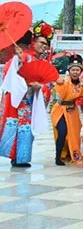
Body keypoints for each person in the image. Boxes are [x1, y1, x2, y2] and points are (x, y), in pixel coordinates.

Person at [0, 22, 59, 168]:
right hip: (19, 99)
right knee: (16, 127)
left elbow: (48, 82)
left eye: (46, 44)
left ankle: (21, 157)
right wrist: (18, 62)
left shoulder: (42, 62)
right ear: (33, 42)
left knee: (27, 129)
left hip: (32, 100)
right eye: (41, 43)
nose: (44, 46)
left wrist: (41, 86)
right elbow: (9, 74)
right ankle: (15, 156)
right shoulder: (23, 57)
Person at [51, 54, 83, 166]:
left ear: (80, 72)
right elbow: (59, 92)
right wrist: (59, 83)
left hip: (72, 111)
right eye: (73, 70)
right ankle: (58, 157)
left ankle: (71, 153)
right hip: (60, 109)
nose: (75, 72)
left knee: (74, 134)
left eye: (77, 70)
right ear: (69, 71)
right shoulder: (64, 81)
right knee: (62, 131)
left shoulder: (82, 83)